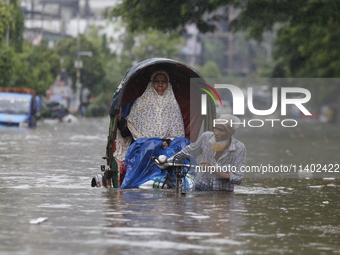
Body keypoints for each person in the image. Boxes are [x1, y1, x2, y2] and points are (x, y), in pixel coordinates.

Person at [113, 71, 189, 188]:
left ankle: (183, 178)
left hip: (168, 145)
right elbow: (129, 131)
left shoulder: (173, 104)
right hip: (144, 144)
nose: (160, 85)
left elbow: (177, 133)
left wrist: (167, 143)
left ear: (168, 84)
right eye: (157, 82)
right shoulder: (141, 103)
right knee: (152, 146)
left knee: (184, 143)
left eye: (163, 82)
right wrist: (119, 119)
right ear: (151, 84)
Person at [169, 114, 246, 191]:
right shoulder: (206, 137)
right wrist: (166, 162)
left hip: (222, 194)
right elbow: (188, 151)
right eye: (215, 129)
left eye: (221, 130)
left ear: (232, 132)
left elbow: (237, 179)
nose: (216, 133)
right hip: (199, 190)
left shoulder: (239, 148)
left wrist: (212, 169)